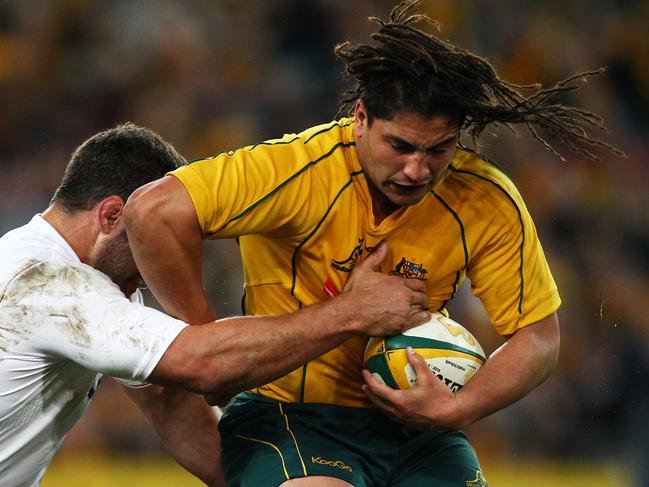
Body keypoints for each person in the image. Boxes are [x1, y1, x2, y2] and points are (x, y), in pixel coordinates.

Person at [124, 2, 622, 486]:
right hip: (289, 415)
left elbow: (538, 337)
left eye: (438, 150)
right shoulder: (299, 170)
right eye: (400, 146)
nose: (416, 169)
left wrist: (456, 407)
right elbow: (152, 212)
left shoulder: (485, 197)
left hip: (418, 431)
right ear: (361, 118)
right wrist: (205, 337)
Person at [0, 123, 430, 487]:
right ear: (114, 216)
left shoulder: (85, 281)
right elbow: (203, 363)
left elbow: (168, 400)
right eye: (153, 240)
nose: (157, 264)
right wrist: (349, 312)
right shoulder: (46, 284)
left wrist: (274, 476)